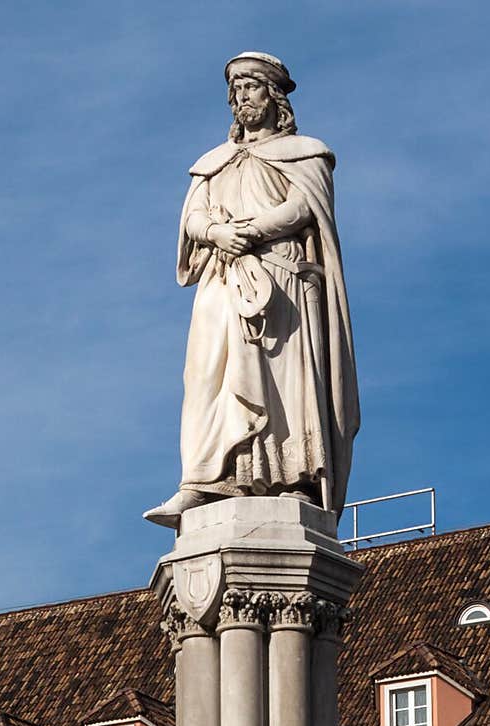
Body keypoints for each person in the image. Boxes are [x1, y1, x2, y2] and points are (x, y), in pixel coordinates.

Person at [144, 51, 359, 528]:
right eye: (235, 90)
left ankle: (289, 477)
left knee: (279, 384)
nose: (242, 98)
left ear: (274, 95)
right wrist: (217, 234)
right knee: (206, 379)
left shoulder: (305, 154)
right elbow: (194, 215)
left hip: (280, 284)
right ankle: (203, 481)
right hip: (222, 282)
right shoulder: (214, 164)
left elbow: (305, 207)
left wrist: (255, 229)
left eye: (251, 87)